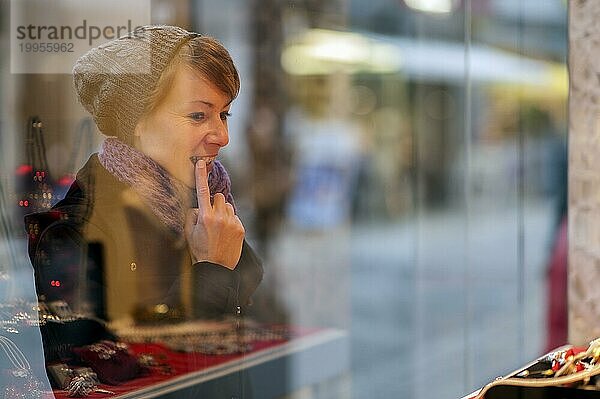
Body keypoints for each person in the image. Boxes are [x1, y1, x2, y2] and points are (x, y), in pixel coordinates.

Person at [25, 25, 263, 323]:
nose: (222, 136)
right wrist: (211, 269)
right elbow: (112, 362)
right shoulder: (74, 233)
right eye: (198, 115)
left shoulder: (206, 208)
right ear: (137, 121)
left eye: (224, 114)